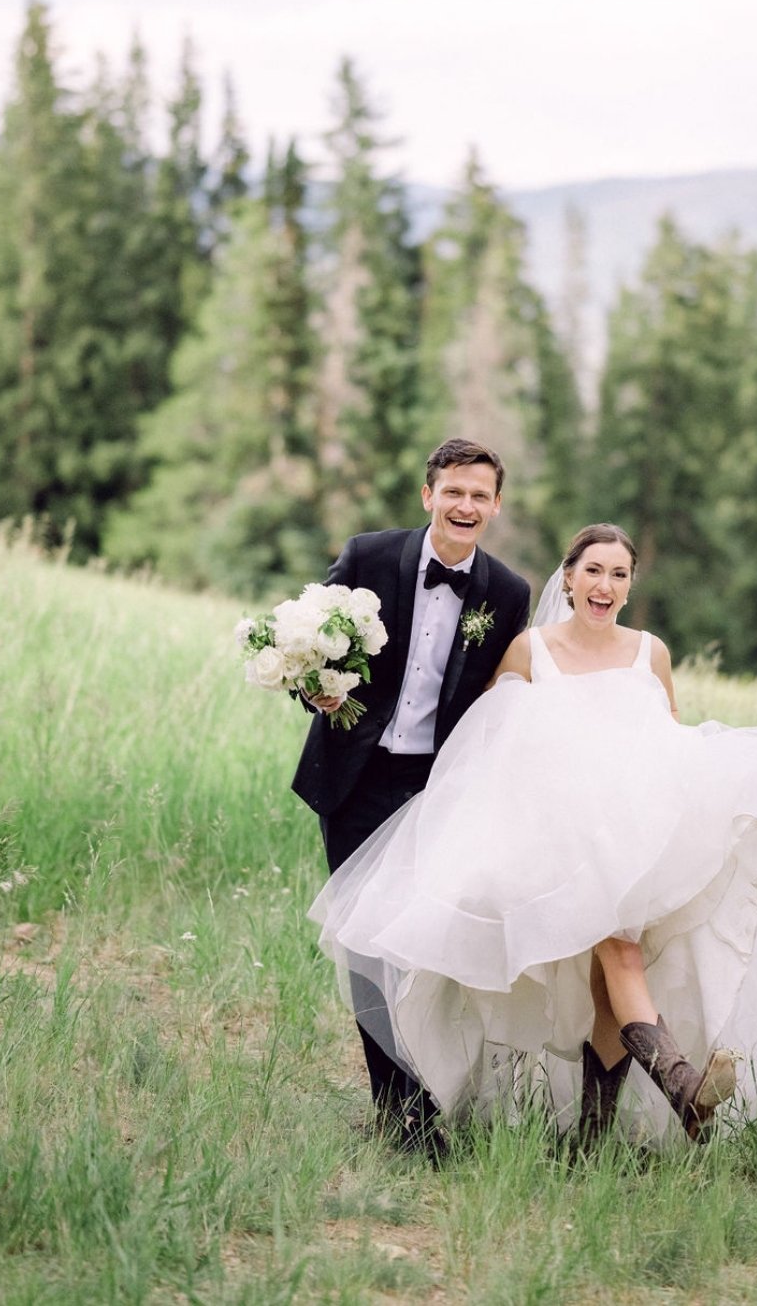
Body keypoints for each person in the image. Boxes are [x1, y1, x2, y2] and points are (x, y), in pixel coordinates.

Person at [309, 523, 757, 1147]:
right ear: (568, 576)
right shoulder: (531, 649)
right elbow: (489, 735)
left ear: (630, 584)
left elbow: (670, 739)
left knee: (615, 963)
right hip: (557, 841)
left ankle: (603, 1132)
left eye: (618, 574)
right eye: (594, 571)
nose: (605, 585)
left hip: (633, 840)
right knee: (618, 957)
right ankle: (675, 1092)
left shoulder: (651, 653)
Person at [292, 438, 531, 1146]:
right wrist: (315, 693)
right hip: (355, 779)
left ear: (494, 507)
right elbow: (317, 652)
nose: (465, 506)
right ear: (429, 495)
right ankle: (405, 1117)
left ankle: (430, 1098)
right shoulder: (367, 557)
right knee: (365, 949)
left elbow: (501, 699)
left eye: (479, 495)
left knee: (417, 951)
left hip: (436, 791)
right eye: (453, 491)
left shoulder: (507, 594)